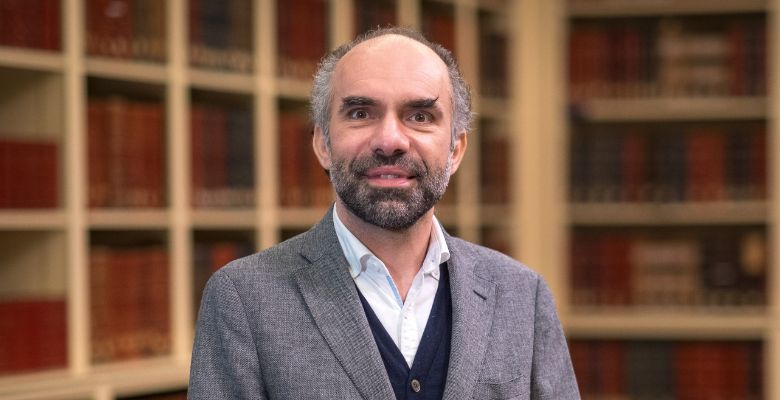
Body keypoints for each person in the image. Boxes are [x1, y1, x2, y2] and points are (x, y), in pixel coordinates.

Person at [188, 26, 579, 400]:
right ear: (323, 144)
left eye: (420, 116)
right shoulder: (243, 300)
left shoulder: (523, 297)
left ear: (456, 150)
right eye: (361, 113)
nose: (390, 140)